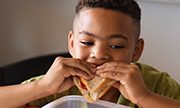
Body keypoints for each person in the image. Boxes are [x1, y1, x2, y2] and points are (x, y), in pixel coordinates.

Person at [0, 0, 180, 108]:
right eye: (87, 42)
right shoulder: (58, 84)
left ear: (137, 50)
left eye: (116, 46)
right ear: (71, 43)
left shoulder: (155, 84)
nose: (99, 54)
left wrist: (145, 98)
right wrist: (43, 87)